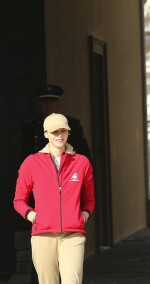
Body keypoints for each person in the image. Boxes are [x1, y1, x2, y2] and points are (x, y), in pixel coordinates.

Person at [13, 113, 95, 284]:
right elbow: (19, 200)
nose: (59, 135)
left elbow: (89, 198)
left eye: (63, 131)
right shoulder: (31, 163)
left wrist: (84, 215)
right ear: (45, 134)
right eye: (54, 132)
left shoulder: (81, 163)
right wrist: (33, 216)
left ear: (68, 133)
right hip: (43, 236)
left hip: (72, 234)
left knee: (72, 280)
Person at [21, 84, 91, 160]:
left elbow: (83, 152)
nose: (48, 105)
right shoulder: (31, 127)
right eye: (44, 102)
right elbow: (25, 156)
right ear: (39, 105)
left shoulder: (72, 124)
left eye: (52, 102)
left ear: (58, 104)